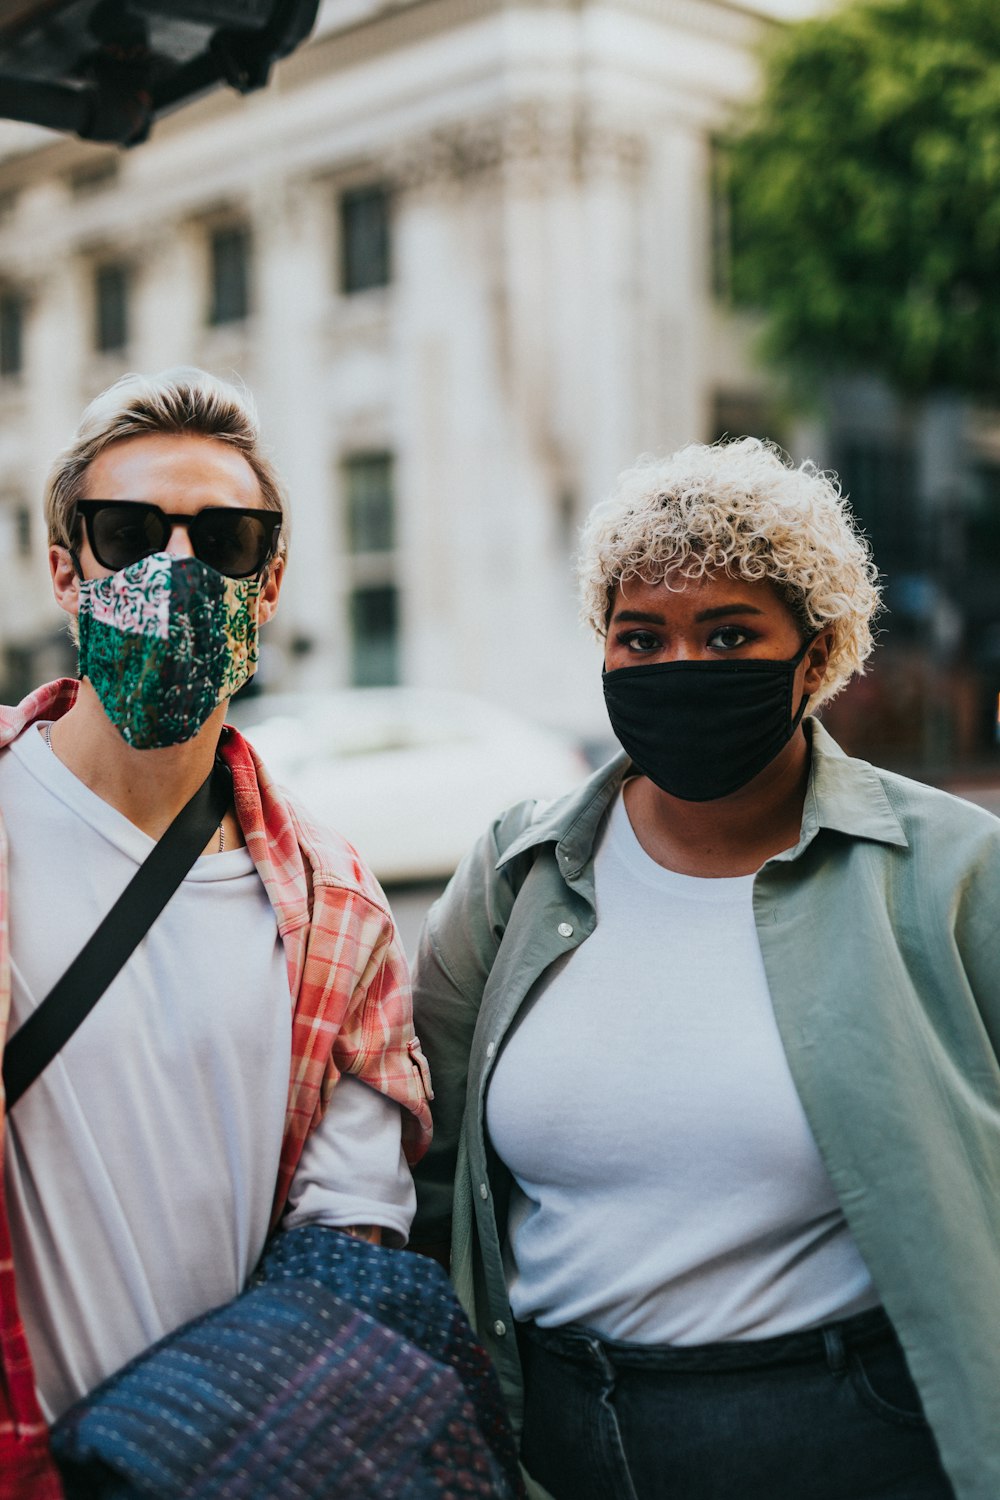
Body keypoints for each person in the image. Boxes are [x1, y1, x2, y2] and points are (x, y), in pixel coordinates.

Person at [410, 437, 1000, 1500]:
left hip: (841, 1434)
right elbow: (429, 1161)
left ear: (815, 655)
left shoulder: (952, 871)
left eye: (729, 633)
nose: (679, 666)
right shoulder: (517, 870)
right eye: (641, 636)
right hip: (553, 1436)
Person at [0, 368, 433, 1496]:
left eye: (225, 537)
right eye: (130, 531)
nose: (177, 569)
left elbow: (349, 1249)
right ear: (66, 570)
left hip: (218, 1464)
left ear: (271, 580)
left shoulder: (340, 907)